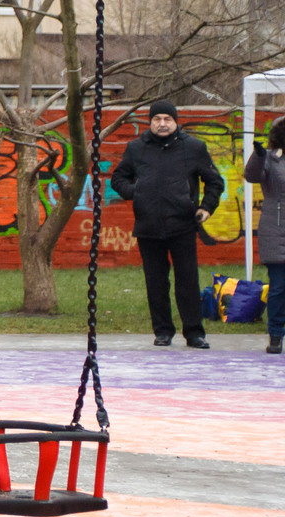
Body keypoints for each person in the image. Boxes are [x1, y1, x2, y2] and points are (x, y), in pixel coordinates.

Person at [110, 98, 225, 350]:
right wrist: (135, 191)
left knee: (188, 282)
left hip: (182, 225)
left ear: (175, 122)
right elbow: (118, 178)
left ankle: (194, 333)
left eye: (167, 119)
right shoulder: (136, 148)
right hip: (148, 227)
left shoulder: (194, 147)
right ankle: (162, 331)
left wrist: (206, 207)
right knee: (156, 283)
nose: (162, 124)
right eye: (157, 119)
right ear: (150, 122)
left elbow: (215, 182)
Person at [240, 117, 285, 355]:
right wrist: (258, 155)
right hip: (276, 230)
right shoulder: (269, 157)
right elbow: (252, 176)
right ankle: (275, 335)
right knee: (278, 287)